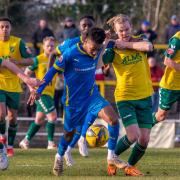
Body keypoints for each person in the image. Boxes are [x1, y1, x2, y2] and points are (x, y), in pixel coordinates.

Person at [28, 27, 127, 176]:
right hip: (73, 102)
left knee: (113, 120)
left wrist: (111, 37)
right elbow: (52, 71)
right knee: (69, 134)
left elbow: (109, 43)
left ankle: (111, 156)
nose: (95, 53)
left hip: (92, 95)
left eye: (97, 49)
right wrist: (39, 90)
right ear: (86, 41)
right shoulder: (70, 54)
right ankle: (59, 156)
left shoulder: (97, 47)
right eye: (93, 49)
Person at [103, 14, 154, 176]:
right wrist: (107, 44)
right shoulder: (113, 45)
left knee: (144, 140)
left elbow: (149, 47)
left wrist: (126, 45)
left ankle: (129, 166)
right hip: (125, 96)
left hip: (145, 95)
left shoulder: (141, 38)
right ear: (115, 31)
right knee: (133, 135)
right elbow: (104, 61)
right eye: (120, 31)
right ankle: (112, 158)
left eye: (126, 29)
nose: (124, 32)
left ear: (131, 27)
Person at [0, 17, 37, 157]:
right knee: (1, 115)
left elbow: (31, 60)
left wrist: (16, 61)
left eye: (7, 27)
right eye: (2, 26)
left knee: (13, 118)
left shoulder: (18, 42)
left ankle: (10, 146)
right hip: (0, 84)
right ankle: (2, 136)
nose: (4, 29)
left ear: (10, 28)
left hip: (14, 85)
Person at [19, 37, 58, 150]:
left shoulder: (56, 60)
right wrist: (31, 88)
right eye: (48, 46)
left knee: (39, 120)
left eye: (52, 45)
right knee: (53, 116)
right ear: (43, 47)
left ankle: (25, 141)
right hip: (41, 93)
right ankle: (50, 143)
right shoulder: (38, 59)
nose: (50, 47)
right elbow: (26, 73)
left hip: (50, 93)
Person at [153, 31, 180, 125]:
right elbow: (167, 61)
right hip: (170, 86)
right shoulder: (176, 40)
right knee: (161, 116)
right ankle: (143, 126)